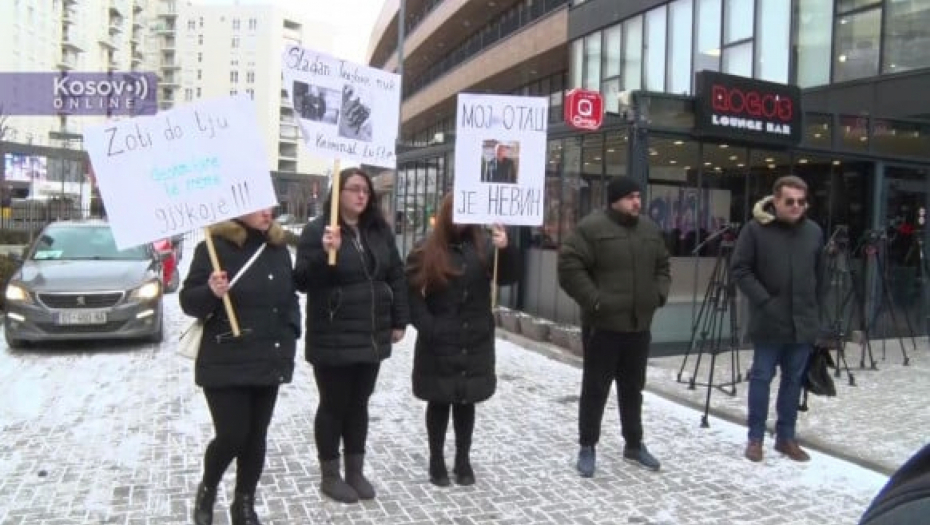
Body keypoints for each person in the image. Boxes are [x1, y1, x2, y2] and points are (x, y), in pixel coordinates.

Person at [293, 167, 410, 504]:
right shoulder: (317, 231)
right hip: (333, 333)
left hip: (371, 333)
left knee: (359, 404)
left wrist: (400, 318)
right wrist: (323, 252)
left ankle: (355, 471)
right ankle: (330, 475)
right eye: (354, 189)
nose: (362, 195)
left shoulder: (377, 230)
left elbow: (396, 274)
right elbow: (301, 281)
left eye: (366, 190)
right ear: (338, 193)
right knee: (334, 404)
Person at [180, 209, 301, 525]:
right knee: (232, 435)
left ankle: (244, 503)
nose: (267, 212)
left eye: (269, 205)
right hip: (225, 358)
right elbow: (189, 302)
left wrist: (291, 330)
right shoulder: (213, 247)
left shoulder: (276, 248)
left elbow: (289, 297)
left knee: (256, 436)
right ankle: (208, 489)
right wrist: (210, 291)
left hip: (268, 355)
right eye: (258, 205)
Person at [557, 176, 670, 477]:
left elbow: (663, 266)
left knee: (633, 389)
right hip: (603, 326)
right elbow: (569, 266)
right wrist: (595, 301)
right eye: (631, 197)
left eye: (639, 196)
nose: (637, 202)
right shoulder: (592, 228)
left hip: (638, 326)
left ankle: (633, 443)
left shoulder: (649, 230)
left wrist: (658, 294)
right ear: (615, 200)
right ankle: (587, 446)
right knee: (595, 389)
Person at [405, 193, 521, 487]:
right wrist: (429, 326)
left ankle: (462, 459)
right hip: (439, 339)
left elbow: (507, 277)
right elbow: (411, 292)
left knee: (466, 401)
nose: (461, 220)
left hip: (474, 338)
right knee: (439, 400)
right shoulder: (426, 247)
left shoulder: (483, 246)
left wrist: (505, 249)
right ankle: (436, 460)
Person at [730, 175, 826, 463]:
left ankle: (786, 438)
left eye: (801, 201)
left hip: (802, 323)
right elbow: (740, 269)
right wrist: (765, 301)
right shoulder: (755, 230)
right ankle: (755, 438)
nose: (796, 206)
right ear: (776, 201)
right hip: (769, 320)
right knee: (761, 378)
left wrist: (815, 311)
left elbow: (821, 275)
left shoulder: (813, 232)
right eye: (790, 201)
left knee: (793, 381)